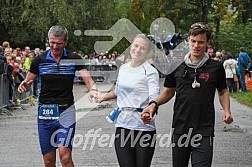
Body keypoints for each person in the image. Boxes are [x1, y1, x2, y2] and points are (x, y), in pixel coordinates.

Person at [141, 22, 233, 167]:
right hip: (180, 128)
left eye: (201, 42)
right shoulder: (176, 64)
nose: (196, 45)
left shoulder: (215, 67)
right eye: (193, 41)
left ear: (208, 43)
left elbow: (222, 92)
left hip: (204, 130)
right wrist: (154, 104)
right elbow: (169, 91)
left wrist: (227, 111)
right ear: (188, 40)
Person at [18, 25, 97, 167]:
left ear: (65, 42)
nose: (55, 46)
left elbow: (88, 80)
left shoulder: (74, 58)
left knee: (65, 157)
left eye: (59, 43)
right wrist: (25, 85)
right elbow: (28, 81)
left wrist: (93, 90)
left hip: (66, 112)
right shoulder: (39, 60)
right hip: (45, 114)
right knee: (49, 161)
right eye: (52, 42)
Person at [95, 34, 160, 167]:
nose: (137, 50)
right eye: (136, 46)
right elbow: (118, 92)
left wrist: (151, 111)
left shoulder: (151, 72)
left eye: (143, 48)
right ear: (131, 46)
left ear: (148, 52)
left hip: (143, 127)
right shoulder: (123, 69)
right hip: (123, 126)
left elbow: (155, 97)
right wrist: (103, 96)